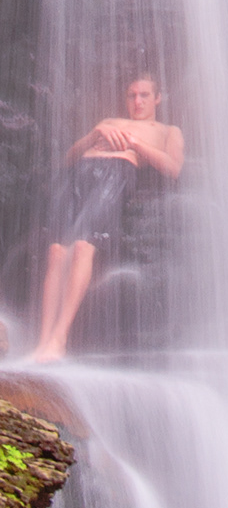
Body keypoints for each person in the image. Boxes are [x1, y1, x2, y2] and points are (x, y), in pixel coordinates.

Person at [31, 74, 184, 362]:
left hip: (116, 174)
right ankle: (42, 343)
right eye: (132, 95)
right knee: (55, 253)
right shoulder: (108, 122)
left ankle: (59, 339)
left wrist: (135, 145)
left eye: (144, 95)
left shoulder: (167, 130)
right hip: (80, 174)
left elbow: (173, 168)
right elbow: (69, 158)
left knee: (82, 247)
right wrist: (94, 134)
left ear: (158, 98)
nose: (137, 102)